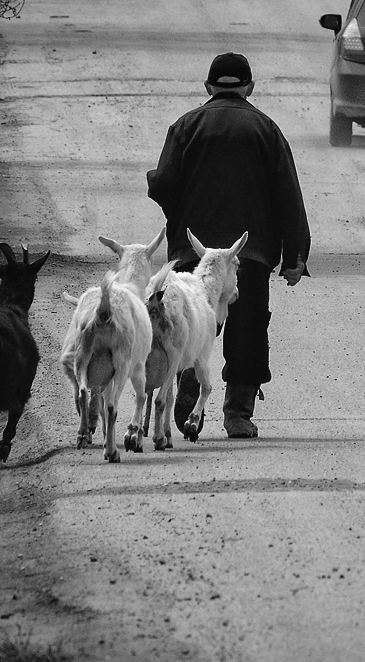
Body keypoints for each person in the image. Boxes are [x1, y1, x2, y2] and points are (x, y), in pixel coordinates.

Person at [146, 52, 310, 439]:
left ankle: (186, 389)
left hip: (193, 255)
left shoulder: (186, 126)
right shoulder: (267, 130)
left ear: (208, 87)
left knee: (186, 322)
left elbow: (163, 184)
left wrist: (175, 205)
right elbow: (289, 197)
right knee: (248, 329)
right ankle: (238, 413)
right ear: (250, 88)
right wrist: (295, 256)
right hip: (246, 257)